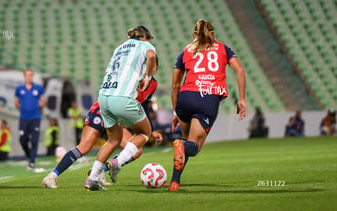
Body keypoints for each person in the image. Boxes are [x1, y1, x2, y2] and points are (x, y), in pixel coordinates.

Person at [42, 75, 162, 189]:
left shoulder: (153, 84)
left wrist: (151, 130)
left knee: (136, 151)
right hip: (101, 111)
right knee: (84, 147)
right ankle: (52, 176)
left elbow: (144, 105)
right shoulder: (131, 75)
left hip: (116, 118)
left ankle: (99, 172)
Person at [168, 19, 247, 192]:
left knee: (185, 141)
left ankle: (175, 182)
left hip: (185, 97)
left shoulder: (185, 51)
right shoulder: (223, 48)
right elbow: (240, 70)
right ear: (214, 35)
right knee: (193, 147)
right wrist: (241, 99)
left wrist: (176, 111)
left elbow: (174, 85)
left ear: (194, 35)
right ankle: (180, 148)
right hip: (207, 98)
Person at [85, 25, 157, 191]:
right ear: (144, 37)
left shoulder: (119, 48)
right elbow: (152, 56)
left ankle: (92, 178)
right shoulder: (145, 45)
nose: (150, 41)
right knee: (145, 132)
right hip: (122, 97)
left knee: (113, 140)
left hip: (103, 97)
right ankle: (118, 162)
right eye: (149, 38)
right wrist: (148, 76)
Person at [15, 69, 45, 171]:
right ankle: (29, 156)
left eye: (31, 75)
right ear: (24, 76)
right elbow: (16, 102)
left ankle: (32, 162)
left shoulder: (38, 88)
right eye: (27, 75)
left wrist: (38, 109)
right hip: (24, 118)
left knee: (35, 140)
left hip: (35, 118)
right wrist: (24, 110)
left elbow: (42, 101)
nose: (29, 77)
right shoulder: (19, 88)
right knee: (22, 140)